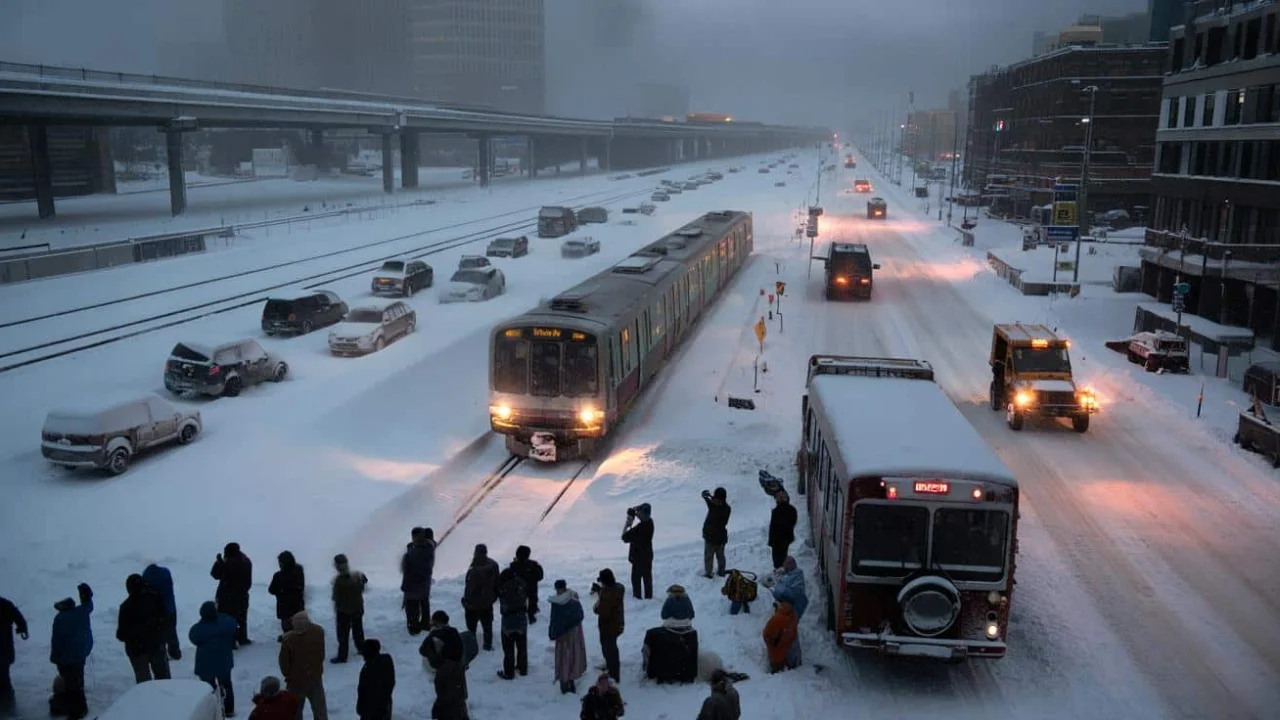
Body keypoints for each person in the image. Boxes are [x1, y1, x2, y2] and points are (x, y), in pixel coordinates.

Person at [116, 573, 171, 683]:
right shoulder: (156, 598)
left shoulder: (126, 606)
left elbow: (121, 634)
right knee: (164, 680)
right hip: (156, 645)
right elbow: (166, 620)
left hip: (137, 650)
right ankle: (166, 699)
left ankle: (148, 699)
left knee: (144, 683)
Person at [49, 583, 93, 720]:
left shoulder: (60, 619)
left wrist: (55, 657)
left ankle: (77, 711)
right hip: (80, 655)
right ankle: (80, 707)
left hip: (66, 659)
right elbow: (88, 605)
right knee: (77, 681)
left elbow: (57, 641)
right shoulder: (81, 612)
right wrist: (85, 594)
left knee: (71, 684)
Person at [189, 601, 237, 717]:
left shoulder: (198, 629)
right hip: (224, 661)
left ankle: (211, 709)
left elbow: (193, 638)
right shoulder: (226, 622)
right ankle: (228, 708)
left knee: (208, 687)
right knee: (226, 684)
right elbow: (233, 625)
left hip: (205, 663)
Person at [418, 612, 469, 720]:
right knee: (458, 696)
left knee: (444, 696)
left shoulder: (434, 636)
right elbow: (461, 650)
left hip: (443, 670)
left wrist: (436, 662)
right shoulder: (454, 632)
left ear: (436, 622)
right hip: (457, 669)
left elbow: (422, 650)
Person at [278, 611, 327, 720]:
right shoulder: (319, 632)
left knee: (294, 711)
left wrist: (288, 674)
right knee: (319, 709)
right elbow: (321, 654)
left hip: (296, 681)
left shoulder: (288, 640)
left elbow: (284, 663)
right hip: (315, 677)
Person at [547, 579, 587, 694]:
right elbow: (579, 615)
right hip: (574, 633)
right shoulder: (573, 596)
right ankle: (571, 680)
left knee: (563, 658)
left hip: (563, 635)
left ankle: (565, 682)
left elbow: (554, 619)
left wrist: (553, 633)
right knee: (573, 656)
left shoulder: (557, 602)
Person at [211, 543, 253, 646]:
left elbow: (215, 575)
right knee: (241, 618)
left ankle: (230, 640)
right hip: (242, 595)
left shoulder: (228, 563)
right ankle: (242, 638)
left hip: (226, 595)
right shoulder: (246, 561)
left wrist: (219, 562)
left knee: (226, 618)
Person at [330, 554, 368, 663]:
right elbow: (364, 582)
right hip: (357, 608)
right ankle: (361, 648)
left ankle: (342, 656)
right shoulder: (357, 575)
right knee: (358, 630)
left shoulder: (338, 581)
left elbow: (336, 597)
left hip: (343, 611)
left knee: (343, 634)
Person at [461, 544, 500, 652]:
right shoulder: (493, 565)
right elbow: (497, 583)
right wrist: (492, 598)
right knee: (487, 626)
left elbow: (469, 587)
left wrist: (465, 601)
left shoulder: (475, 568)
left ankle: (472, 646)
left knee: (471, 627)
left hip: (472, 603)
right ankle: (487, 644)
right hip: (486, 603)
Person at [641, 615, 698, 684]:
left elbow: (663, 615)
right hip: (686, 628)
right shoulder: (687, 604)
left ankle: (652, 667)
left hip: (669, 628)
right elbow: (692, 615)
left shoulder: (668, 604)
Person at [494, 566, 529, 679]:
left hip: (508, 621)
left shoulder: (502, 588)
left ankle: (509, 672)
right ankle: (523, 668)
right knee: (522, 646)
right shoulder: (522, 584)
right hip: (521, 619)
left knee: (508, 648)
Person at [400, 527, 435, 635]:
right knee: (424, 602)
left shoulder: (412, 554)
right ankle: (425, 624)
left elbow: (405, 568)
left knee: (412, 606)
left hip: (412, 583)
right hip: (424, 583)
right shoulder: (429, 548)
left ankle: (413, 627)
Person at [142, 563, 181, 661]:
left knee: (160, 632)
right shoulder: (166, 573)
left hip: (159, 610)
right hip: (171, 608)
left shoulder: (150, 580)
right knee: (172, 632)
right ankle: (175, 652)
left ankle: (162, 651)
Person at [591, 569, 624, 683]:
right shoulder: (618, 588)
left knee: (609, 648)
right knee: (609, 647)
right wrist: (601, 590)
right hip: (617, 623)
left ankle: (614, 674)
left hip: (608, 626)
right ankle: (610, 665)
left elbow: (600, 610)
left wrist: (596, 606)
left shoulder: (608, 595)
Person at [268, 550, 305, 641]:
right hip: (297, 605)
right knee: (298, 624)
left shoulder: (278, 576)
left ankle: (289, 639)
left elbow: (271, 590)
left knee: (287, 625)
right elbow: (300, 587)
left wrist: (280, 591)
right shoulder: (298, 571)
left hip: (284, 606)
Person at [0, 596, 28, 713]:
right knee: (4, 680)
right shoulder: (4, 604)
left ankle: (8, 708)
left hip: (3, 652)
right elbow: (19, 618)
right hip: (4, 651)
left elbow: (18, 618)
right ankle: (9, 708)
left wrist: (22, 628)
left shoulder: (4, 604)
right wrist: (22, 628)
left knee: (4, 680)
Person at [621, 504, 654, 599]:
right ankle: (649, 598)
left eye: (640, 513)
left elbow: (624, 537)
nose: (638, 514)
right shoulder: (650, 522)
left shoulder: (640, 529)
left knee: (636, 581)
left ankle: (638, 599)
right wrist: (637, 509)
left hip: (638, 560)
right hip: (647, 557)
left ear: (644, 514)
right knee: (647, 580)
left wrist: (628, 523)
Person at [355, 639, 394, 720]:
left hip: (372, 712)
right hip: (385, 706)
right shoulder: (387, 659)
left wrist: (360, 709)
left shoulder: (368, 670)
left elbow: (363, 692)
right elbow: (391, 683)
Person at [700, 488, 731, 578]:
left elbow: (715, 509)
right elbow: (708, 501)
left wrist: (710, 498)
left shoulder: (724, 509)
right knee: (709, 557)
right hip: (711, 537)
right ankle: (709, 573)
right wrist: (707, 497)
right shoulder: (716, 506)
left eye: (717, 499)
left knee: (719, 557)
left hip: (716, 538)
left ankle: (720, 572)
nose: (715, 500)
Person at [762, 601, 800, 673]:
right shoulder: (793, 617)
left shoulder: (777, 620)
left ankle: (776, 675)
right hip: (789, 644)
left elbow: (766, 634)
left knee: (777, 663)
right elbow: (794, 631)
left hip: (778, 650)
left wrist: (772, 643)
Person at [509, 545, 544, 624]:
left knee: (518, 602)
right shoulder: (533, 565)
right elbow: (540, 576)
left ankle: (519, 615)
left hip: (518, 589)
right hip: (531, 588)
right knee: (532, 601)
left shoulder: (513, 566)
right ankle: (531, 615)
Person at [767, 492, 798, 570]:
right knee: (784, 555)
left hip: (777, 540)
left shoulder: (776, 511)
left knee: (777, 560)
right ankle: (783, 569)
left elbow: (773, 527)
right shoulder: (792, 509)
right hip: (787, 538)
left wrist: (771, 541)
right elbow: (793, 522)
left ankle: (779, 572)